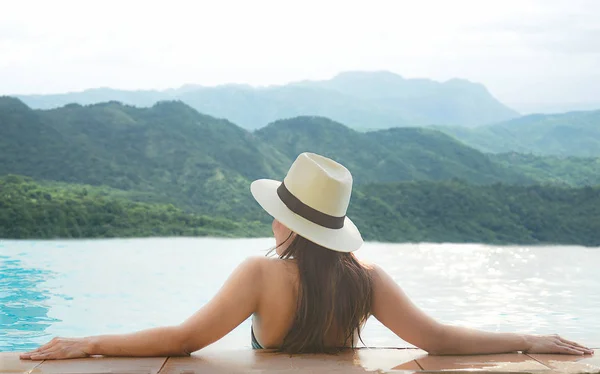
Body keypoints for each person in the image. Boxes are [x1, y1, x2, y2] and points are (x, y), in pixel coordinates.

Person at [20, 152, 594, 360]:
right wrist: (526, 338)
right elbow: (439, 339)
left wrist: (88, 342)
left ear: (285, 220)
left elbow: (183, 340)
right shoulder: (365, 277)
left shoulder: (259, 274)